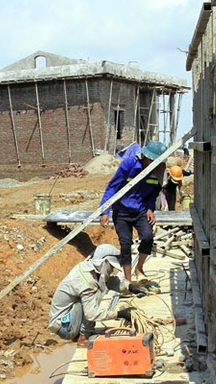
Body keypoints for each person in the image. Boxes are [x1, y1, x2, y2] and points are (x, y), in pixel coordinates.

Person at [98, 140, 168, 282]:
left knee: (148, 237)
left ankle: (139, 268)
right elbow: (112, 186)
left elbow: (154, 192)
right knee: (125, 244)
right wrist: (105, 211)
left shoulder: (157, 171)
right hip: (121, 210)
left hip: (140, 210)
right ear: (147, 158)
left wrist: (150, 208)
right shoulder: (129, 164)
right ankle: (128, 280)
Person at [47, 244, 126, 344]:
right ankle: (84, 337)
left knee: (92, 292)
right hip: (64, 327)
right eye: (111, 266)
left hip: (67, 320)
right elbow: (91, 314)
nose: (111, 270)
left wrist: (129, 287)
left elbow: (107, 280)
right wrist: (119, 314)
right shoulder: (87, 282)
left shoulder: (86, 267)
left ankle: (80, 331)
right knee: (93, 295)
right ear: (104, 262)